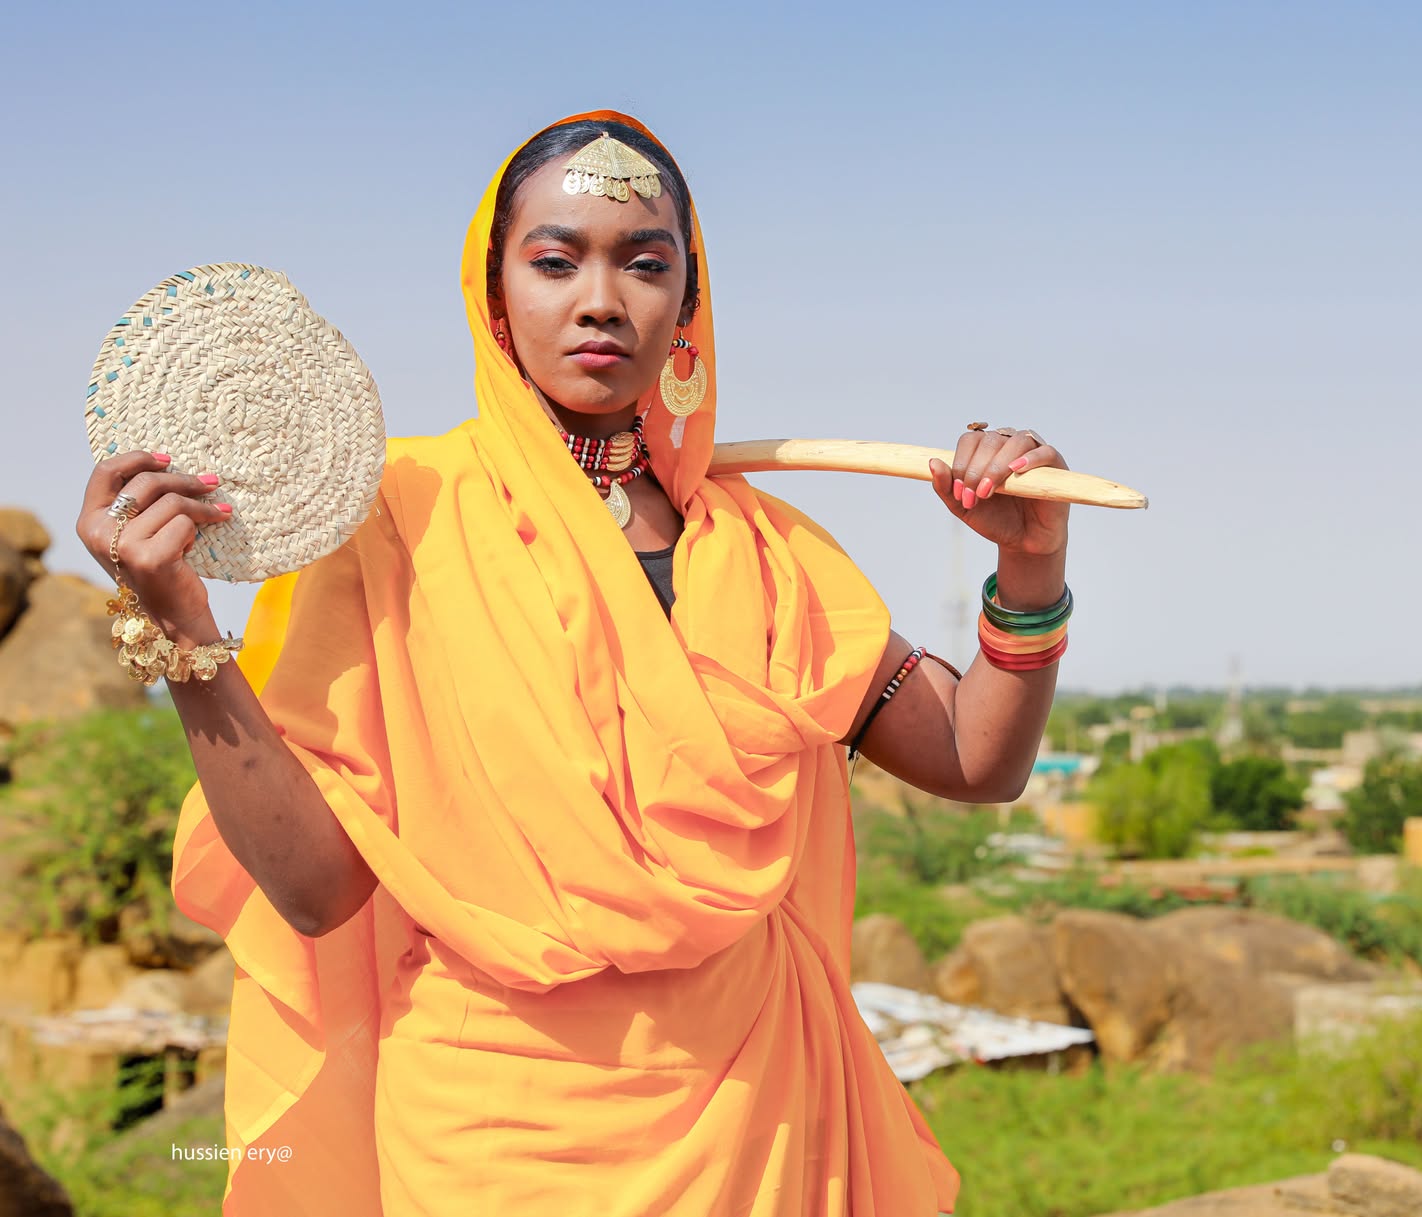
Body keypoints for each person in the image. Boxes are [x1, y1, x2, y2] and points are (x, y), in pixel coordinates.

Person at [73, 109, 1076, 1216]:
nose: (601, 298)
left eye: (646, 264)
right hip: (491, 1135)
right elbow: (317, 892)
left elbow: (976, 761)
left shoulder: (761, 550)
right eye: (555, 260)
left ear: (688, 304)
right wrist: (179, 629)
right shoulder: (396, 521)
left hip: (757, 1110)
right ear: (493, 292)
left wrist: (1029, 576)